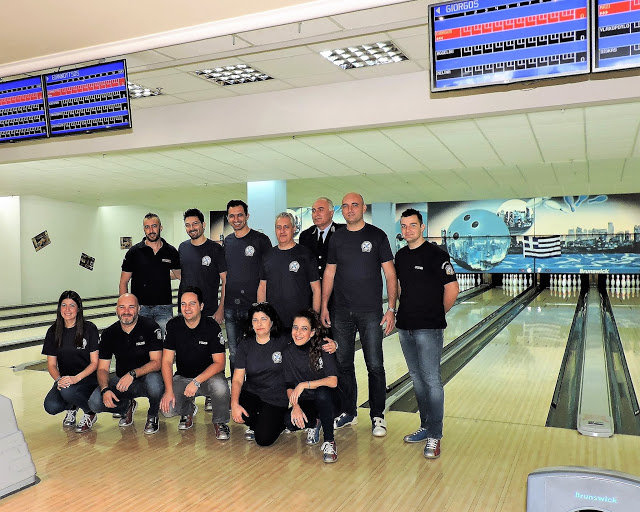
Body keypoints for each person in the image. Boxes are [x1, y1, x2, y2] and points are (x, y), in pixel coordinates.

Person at [320, 192, 398, 437]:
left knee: (374, 365)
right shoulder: (337, 238)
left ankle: (377, 415)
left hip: (371, 312)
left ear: (364, 208)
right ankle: (348, 412)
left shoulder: (377, 235)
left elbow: (390, 274)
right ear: (341, 211)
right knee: (343, 363)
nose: (350, 209)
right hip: (341, 311)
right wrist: (324, 305)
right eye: (345, 206)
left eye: (354, 205)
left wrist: (391, 308)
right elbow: (330, 273)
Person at [396, 208, 459, 459]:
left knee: (431, 380)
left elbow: (452, 289)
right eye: (403, 226)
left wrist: (435, 315)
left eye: (412, 225)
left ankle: (435, 435)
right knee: (417, 378)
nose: (408, 229)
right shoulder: (400, 256)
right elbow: (401, 288)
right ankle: (425, 426)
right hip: (405, 327)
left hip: (429, 328)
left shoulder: (436, 254)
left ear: (422, 227)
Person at [88, 293, 164, 435]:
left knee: (155, 384)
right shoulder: (109, 333)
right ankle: (126, 407)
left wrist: (132, 374)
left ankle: (153, 414)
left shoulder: (150, 326)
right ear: (116, 310)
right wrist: (105, 389)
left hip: (147, 378)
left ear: (139, 309)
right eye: (122, 307)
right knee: (95, 402)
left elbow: (157, 363)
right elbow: (103, 368)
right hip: (123, 382)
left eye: (131, 307)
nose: (126, 311)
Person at [160, 286, 231, 439]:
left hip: (208, 379)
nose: (187, 308)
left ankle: (220, 422)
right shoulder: (173, 326)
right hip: (183, 378)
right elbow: (166, 361)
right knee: (167, 410)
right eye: (183, 304)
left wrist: (197, 381)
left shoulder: (211, 327)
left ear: (201, 306)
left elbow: (219, 363)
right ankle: (187, 410)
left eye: (192, 303)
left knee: (220, 386)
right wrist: (168, 390)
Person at [283, 310, 339, 463]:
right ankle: (315, 422)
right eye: (295, 327)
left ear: (313, 332)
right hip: (307, 401)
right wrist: (295, 406)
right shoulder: (288, 352)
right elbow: (288, 385)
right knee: (289, 421)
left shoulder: (324, 347)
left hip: (330, 400)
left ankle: (329, 441)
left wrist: (304, 385)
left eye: (304, 328)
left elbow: (333, 381)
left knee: (322, 393)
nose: (298, 333)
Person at [223, 200, 272, 373]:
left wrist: (263, 307)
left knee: (255, 351)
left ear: (247, 216)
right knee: (234, 353)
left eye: (240, 215)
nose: (236, 219)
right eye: (232, 216)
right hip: (230, 307)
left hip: (253, 308)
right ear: (228, 218)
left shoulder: (261, 240)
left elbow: (268, 275)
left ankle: (254, 389)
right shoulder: (227, 242)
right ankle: (238, 391)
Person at [230, 302, 288, 447]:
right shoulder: (245, 344)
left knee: (263, 440)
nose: (259, 324)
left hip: (276, 398)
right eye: (255, 320)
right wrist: (234, 404)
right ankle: (262, 421)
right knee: (235, 405)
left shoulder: (283, 341)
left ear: (272, 321)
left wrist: (333, 344)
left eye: (263, 319)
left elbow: (307, 340)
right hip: (253, 393)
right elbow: (237, 379)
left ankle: (282, 422)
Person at [42, 290, 99, 433]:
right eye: (64, 305)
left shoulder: (89, 329)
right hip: (66, 380)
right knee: (51, 406)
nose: (67, 310)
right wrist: (59, 379)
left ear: (78, 308)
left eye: (72, 305)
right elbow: (51, 365)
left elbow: (95, 363)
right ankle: (72, 406)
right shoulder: (53, 331)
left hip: (87, 379)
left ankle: (89, 412)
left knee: (68, 390)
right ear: (59, 308)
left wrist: (76, 378)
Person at [119, 212, 180, 336]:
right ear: (144, 229)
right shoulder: (134, 252)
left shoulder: (171, 251)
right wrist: (124, 307)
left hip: (164, 307)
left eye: (154, 226)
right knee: (141, 346)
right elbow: (123, 282)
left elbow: (180, 276)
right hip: (141, 308)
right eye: (147, 227)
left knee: (166, 345)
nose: (151, 230)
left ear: (160, 227)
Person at [257, 212, 320, 329]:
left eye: (286, 227)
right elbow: (262, 287)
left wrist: (314, 318)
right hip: (274, 321)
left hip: (300, 322)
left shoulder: (305, 255)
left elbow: (316, 289)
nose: (282, 231)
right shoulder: (267, 256)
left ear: (294, 229)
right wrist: (262, 315)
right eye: (278, 227)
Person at [178, 208, 226, 324]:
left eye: (195, 224)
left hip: (208, 310)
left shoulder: (216, 249)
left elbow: (226, 280)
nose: (191, 228)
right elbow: (179, 273)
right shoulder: (182, 247)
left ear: (203, 224)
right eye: (187, 225)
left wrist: (221, 309)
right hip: (186, 310)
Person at [299, 197, 344, 283]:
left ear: (331, 213)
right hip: (312, 291)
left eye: (321, 210)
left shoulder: (341, 233)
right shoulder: (305, 236)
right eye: (313, 211)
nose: (316, 214)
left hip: (336, 290)